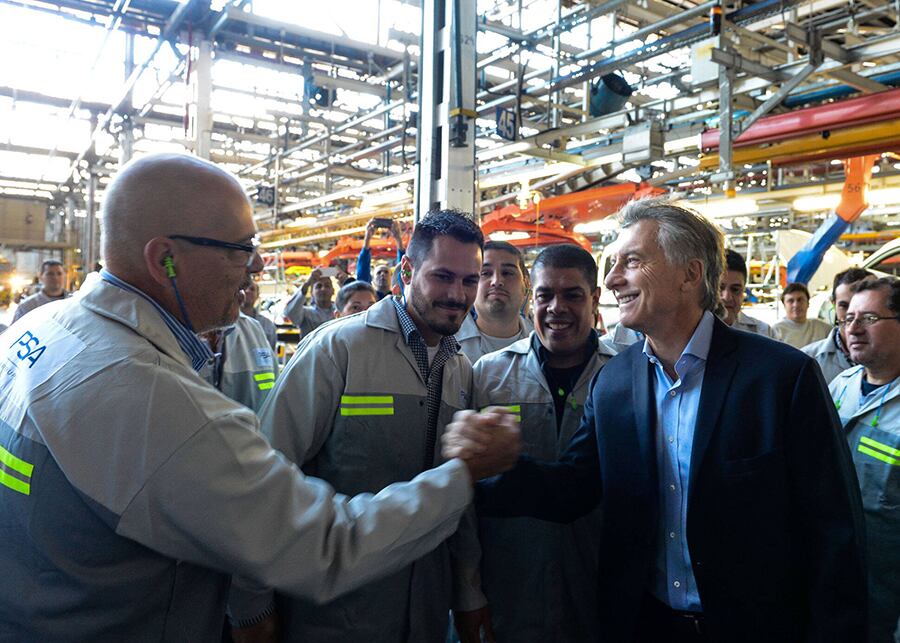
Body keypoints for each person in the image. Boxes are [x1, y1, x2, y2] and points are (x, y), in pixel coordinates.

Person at [0, 154, 521, 642]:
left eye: (467, 280)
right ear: (166, 260)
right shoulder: (148, 394)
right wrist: (460, 476)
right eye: (240, 250)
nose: (256, 268)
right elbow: (324, 545)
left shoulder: (49, 329)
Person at [448, 199, 867, 643]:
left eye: (631, 261)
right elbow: (573, 489)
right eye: (613, 265)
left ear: (690, 274)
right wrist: (493, 466)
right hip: (644, 625)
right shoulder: (615, 384)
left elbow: (833, 532)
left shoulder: (780, 377)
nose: (611, 280)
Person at [249, 209, 489, 643]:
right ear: (406, 270)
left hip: (426, 614)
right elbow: (265, 477)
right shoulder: (338, 349)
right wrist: (251, 603)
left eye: (469, 281)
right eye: (442, 276)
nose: (457, 294)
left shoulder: (462, 371)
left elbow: (462, 498)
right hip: (334, 613)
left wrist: (468, 596)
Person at [466, 244, 615, 642]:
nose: (556, 308)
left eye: (572, 295)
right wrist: (468, 588)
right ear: (532, 296)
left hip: (598, 590)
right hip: (510, 588)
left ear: (595, 298)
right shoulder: (489, 376)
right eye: (546, 295)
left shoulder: (623, 376)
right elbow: (463, 491)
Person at [829, 277, 900, 643]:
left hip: (886, 597)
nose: (852, 329)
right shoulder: (841, 385)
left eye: (869, 318)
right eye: (847, 318)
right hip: (836, 576)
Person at [456, 240, 532, 364]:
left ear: (526, 283)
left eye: (507, 273)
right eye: (485, 273)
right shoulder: (446, 344)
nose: (496, 281)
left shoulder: (543, 343)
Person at [802, 268, 874, 384]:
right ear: (833, 303)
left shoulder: (892, 357)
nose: (853, 315)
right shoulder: (808, 360)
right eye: (844, 306)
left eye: (863, 305)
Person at [718, 249, 775, 337]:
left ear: (744, 290)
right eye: (720, 288)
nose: (727, 297)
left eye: (735, 289)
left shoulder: (763, 333)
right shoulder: (692, 331)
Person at [358, 217, 405, 299]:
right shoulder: (370, 298)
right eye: (379, 273)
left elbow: (403, 269)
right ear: (373, 279)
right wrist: (367, 238)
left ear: (392, 277)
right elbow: (363, 270)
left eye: (386, 272)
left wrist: (398, 238)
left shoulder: (398, 297)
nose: (382, 274)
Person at [773, 281, 831, 348]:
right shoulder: (776, 330)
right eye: (791, 301)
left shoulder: (822, 327)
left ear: (808, 303)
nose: (796, 305)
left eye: (800, 300)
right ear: (784, 305)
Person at [283, 268, 336, 337]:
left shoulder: (340, 312)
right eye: (318, 286)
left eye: (327, 286)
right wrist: (307, 283)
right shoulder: (305, 313)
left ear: (333, 291)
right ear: (311, 292)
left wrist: (344, 280)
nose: (323, 289)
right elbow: (289, 312)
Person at [240, 277, 277, 350]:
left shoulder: (267, 325)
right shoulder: (228, 323)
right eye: (245, 288)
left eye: (252, 289)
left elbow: (269, 353)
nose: (247, 291)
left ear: (257, 295)